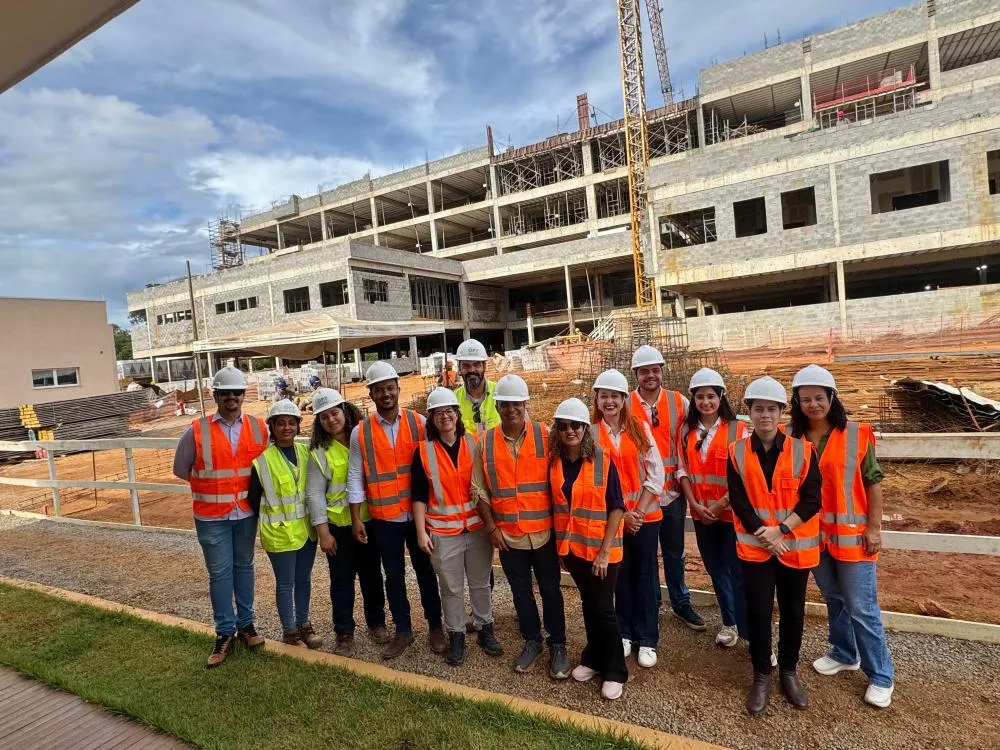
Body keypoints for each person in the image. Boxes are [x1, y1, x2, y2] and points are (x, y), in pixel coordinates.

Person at [790, 364, 895, 709]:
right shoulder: (791, 437)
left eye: (819, 398)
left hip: (852, 536)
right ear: (797, 401)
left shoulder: (856, 434)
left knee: (862, 607)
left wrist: (874, 527)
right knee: (834, 597)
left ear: (831, 398)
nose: (813, 405)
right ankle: (843, 651)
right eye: (805, 399)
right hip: (814, 537)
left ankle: (880, 674)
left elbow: (873, 482)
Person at [727, 376, 823, 716]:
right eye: (758, 409)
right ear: (749, 413)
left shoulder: (803, 450)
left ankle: (789, 671)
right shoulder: (737, 452)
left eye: (771, 409)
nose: (764, 415)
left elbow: (812, 500)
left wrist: (780, 530)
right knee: (758, 611)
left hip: (792, 547)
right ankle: (761, 675)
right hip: (756, 548)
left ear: (781, 412)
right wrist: (763, 533)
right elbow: (738, 501)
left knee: (794, 611)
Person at [473, 374, 570, 679]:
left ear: (526, 404)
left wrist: (562, 532)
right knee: (521, 593)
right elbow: (479, 489)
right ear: (497, 405)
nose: (511, 409)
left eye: (517, 403)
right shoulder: (485, 442)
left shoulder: (546, 436)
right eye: (505, 404)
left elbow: (559, 485)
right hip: (508, 536)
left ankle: (558, 644)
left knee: (552, 591)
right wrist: (491, 528)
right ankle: (532, 640)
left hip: (544, 534)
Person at [348, 360, 446, 660]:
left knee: (427, 572)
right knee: (394, 575)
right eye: (380, 390)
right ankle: (403, 629)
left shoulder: (419, 423)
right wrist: (355, 519)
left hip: (419, 516)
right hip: (385, 518)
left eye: (390, 388)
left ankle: (435, 625)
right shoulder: (360, 433)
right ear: (372, 394)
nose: (386, 394)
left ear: (398, 390)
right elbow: (355, 476)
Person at [172, 366, 269, 667]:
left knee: (244, 569)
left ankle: (246, 626)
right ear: (215, 394)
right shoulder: (196, 431)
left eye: (236, 392)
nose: (231, 397)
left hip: (245, 514)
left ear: (243, 395)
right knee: (220, 575)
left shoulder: (258, 428)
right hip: (211, 516)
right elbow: (181, 468)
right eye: (225, 392)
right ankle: (224, 632)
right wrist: (212, 488)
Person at [412, 387, 503, 666]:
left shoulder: (475, 443)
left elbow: (487, 486)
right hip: (443, 533)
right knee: (450, 588)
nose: (445, 417)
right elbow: (418, 495)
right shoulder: (423, 452)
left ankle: (485, 628)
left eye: (449, 411)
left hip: (476, 530)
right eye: (438, 413)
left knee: (480, 584)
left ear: (456, 414)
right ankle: (457, 635)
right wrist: (420, 532)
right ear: (432, 418)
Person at [550, 397, 628, 701]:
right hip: (574, 550)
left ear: (586, 427)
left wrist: (605, 551)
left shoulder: (603, 459)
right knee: (589, 605)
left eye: (576, 425)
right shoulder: (556, 462)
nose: (570, 431)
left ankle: (616, 670)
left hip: (602, 553)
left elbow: (617, 508)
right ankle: (594, 659)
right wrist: (562, 549)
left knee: (604, 610)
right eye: (564, 426)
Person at [306, 387, 390, 657]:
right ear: (319, 422)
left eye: (335, 413)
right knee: (341, 582)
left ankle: (376, 623)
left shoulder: (363, 439)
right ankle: (343, 631)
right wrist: (323, 532)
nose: (331, 420)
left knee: (372, 576)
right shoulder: (320, 452)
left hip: (369, 520)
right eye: (324, 417)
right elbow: (314, 494)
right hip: (338, 528)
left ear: (345, 410)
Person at [591, 369, 664, 668]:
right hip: (613, 521)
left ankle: (647, 638)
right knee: (618, 578)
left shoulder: (640, 429)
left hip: (644, 517)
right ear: (596, 399)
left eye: (614, 396)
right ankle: (623, 633)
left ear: (624, 399)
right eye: (603, 396)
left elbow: (656, 473)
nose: (609, 402)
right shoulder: (591, 434)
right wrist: (622, 518)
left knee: (645, 577)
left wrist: (638, 513)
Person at [630, 344, 704, 630]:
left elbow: (690, 441)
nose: (651, 375)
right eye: (645, 371)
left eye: (655, 370)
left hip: (671, 492)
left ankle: (681, 602)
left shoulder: (678, 402)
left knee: (674, 552)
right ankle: (650, 604)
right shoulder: (625, 404)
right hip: (643, 493)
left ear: (661, 372)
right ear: (636, 374)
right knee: (645, 555)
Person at [677, 367, 751, 648]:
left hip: (731, 515)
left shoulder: (738, 430)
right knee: (715, 568)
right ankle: (729, 623)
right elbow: (682, 470)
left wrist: (721, 504)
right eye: (699, 397)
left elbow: (745, 474)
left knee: (737, 570)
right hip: (701, 514)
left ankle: (749, 628)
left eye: (710, 396)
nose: (705, 402)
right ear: (693, 399)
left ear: (721, 397)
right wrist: (694, 503)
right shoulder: (686, 431)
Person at [249, 399, 321, 648]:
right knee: (285, 584)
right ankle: (289, 631)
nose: (287, 428)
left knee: (304, 581)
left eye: (292, 423)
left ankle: (304, 625)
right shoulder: (263, 462)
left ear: (298, 426)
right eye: (281, 423)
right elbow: (253, 501)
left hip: (306, 532)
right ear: (272, 427)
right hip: (280, 535)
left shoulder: (306, 453)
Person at [454, 338, 500, 436]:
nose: (472, 370)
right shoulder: (453, 401)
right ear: (459, 369)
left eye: (477, 364)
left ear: (484, 366)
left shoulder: (501, 393)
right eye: (466, 365)